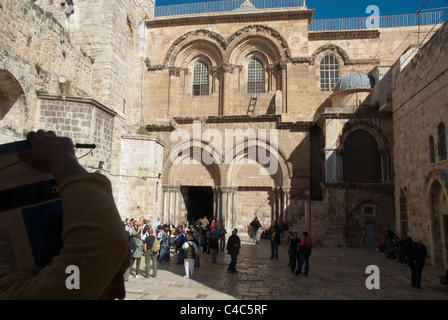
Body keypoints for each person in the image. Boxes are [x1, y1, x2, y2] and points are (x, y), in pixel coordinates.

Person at [0, 130, 129, 299]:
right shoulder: (70, 284)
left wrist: (61, 159)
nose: (121, 293)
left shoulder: (11, 286)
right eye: (108, 276)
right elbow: (104, 242)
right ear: (59, 267)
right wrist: (63, 160)